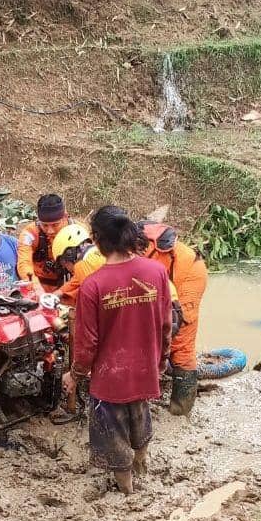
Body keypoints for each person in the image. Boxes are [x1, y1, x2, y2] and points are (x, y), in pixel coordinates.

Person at [63, 206, 172, 495]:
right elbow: (165, 323)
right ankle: (142, 461)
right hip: (145, 367)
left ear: (97, 240)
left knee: (112, 432)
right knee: (140, 414)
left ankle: (127, 490)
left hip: (110, 378)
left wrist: (74, 375)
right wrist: (160, 361)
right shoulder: (157, 272)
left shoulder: (93, 286)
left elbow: (87, 343)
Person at [137, 220, 208, 416]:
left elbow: (172, 320)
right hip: (164, 283)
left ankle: (181, 408)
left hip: (188, 279)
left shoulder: (155, 254)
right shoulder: (135, 245)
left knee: (181, 341)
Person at [17, 194, 72, 292]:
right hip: (38, 287)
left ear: (65, 217)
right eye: (45, 225)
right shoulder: (30, 233)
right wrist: (35, 286)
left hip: (70, 287)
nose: (50, 231)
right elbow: (24, 263)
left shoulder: (78, 231)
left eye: (55, 225)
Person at [51, 224, 106, 305]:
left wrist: (72, 312)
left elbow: (91, 300)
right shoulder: (97, 251)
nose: (66, 268)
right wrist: (61, 291)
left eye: (64, 263)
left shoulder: (82, 264)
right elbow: (78, 278)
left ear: (69, 254)